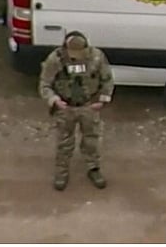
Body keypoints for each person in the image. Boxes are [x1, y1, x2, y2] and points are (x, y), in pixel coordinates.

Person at [38, 30, 114, 191]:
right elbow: (45, 84)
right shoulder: (55, 60)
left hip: (89, 106)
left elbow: (107, 80)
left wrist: (102, 99)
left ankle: (93, 168)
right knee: (64, 141)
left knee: (91, 140)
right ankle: (61, 171)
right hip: (66, 107)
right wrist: (54, 100)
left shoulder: (97, 57)